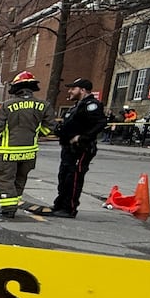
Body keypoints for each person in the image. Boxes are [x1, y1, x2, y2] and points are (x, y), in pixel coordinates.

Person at [0, 71, 56, 219]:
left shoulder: (7, 105)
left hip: (8, 152)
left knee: (6, 180)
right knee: (20, 179)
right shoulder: (43, 105)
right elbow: (49, 127)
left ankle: (7, 210)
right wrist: (35, 134)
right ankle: (13, 205)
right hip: (29, 152)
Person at [50, 78, 107, 218]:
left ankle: (69, 208)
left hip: (81, 148)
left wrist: (82, 138)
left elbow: (100, 123)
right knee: (63, 176)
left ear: (82, 90)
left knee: (73, 177)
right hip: (68, 148)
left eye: (73, 89)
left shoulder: (91, 105)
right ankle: (60, 204)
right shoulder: (76, 106)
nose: (70, 91)